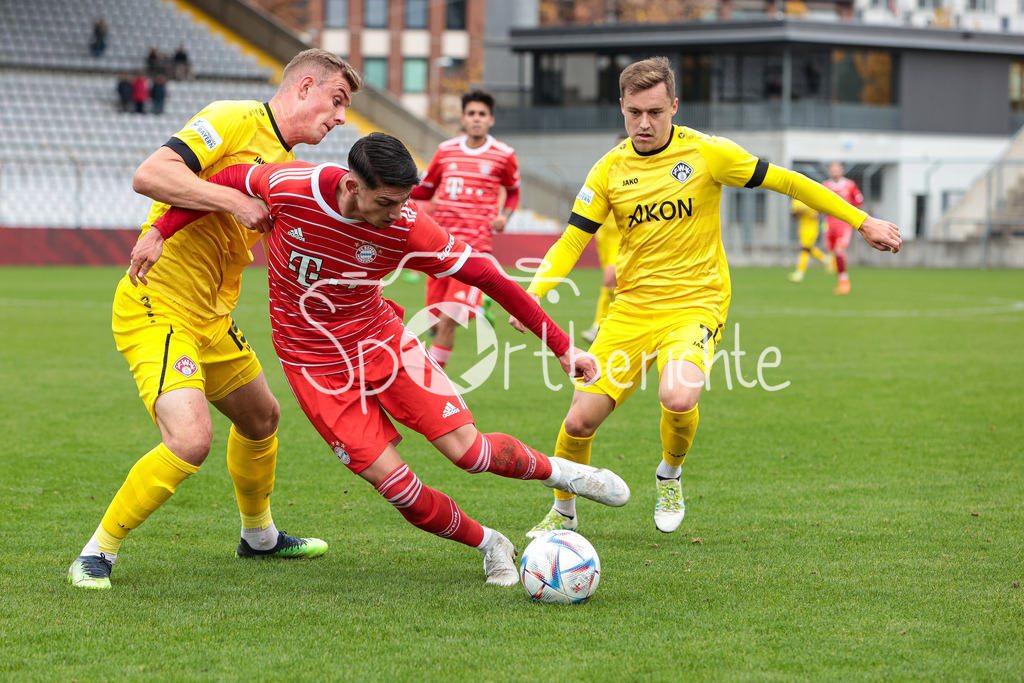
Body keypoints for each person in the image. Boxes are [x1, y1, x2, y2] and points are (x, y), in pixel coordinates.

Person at [134, 133, 630, 587]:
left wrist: (564, 347)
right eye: (386, 202)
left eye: (403, 202)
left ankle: (565, 475)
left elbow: (489, 276)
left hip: (383, 341)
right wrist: (162, 229)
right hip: (315, 370)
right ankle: (490, 543)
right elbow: (216, 183)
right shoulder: (289, 185)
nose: (397, 213)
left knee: (471, 454)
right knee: (399, 489)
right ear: (352, 185)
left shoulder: (409, 225)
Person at [510, 56, 901, 538]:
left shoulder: (708, 153)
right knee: (578, 423)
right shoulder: (608, 170)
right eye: (634, 112)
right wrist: (535, 293)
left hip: (697, 303)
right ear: (622, 108)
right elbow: (572, 240)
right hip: (631, 309)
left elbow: (789, 181)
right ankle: (563, 515)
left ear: (674, 106)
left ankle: (669, 474)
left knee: (677, 395)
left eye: (655, 111)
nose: (644, 123)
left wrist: (862, 222)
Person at [67, 49, 363, 590]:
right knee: (190, 439)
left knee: (262, 418)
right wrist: (231, 201)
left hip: (211, 317)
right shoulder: (233, 118)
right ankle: (97, 552)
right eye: (337, 100)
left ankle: (259, 537)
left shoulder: (290, 166)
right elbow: (151, 173)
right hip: (156, 303)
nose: (341, 116)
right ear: (304, 87)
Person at [409, 90, 520, 370]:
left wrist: (505, 216)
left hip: (474, 250)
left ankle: (431, 381)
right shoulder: (446, 150)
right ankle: (479, 305)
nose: (476, 119)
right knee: (434, 319)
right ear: (463, 118)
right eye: (471, 114)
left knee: (449, 318)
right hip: (439, 246)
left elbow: (513, 191)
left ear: (491, 120)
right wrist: (399, 189)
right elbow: (428, 188)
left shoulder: (504, 155)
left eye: (482, 114)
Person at [581, 135, 627, 344]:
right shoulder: (605, 172)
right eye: (620, 147)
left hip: (624, 239)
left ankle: (598, 326)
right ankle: (616, 325)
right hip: (604, 239)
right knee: (614, 285)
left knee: (610, 278)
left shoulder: (642, 178)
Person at [822, 162, 865, 295]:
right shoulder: (825, 186)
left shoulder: (850, 185)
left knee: (840, 251)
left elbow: (859, 201)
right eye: (832, 169)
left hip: (844, 225)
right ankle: (841, 280)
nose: (835, 171)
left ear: (842, 170)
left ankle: (844, 282)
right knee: (834, 254)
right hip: (830, 224)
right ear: (829, 171)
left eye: (837, 169)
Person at [787, 197, 829, 283]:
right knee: (808, 248)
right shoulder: (796, 199)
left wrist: (817, 214)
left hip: (812, 227)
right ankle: (826, 259)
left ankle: (800, 272)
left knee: (804, 249)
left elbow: (821, 209)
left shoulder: (811, 195)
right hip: (802, 227)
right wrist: (800, 212)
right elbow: (793, 214)